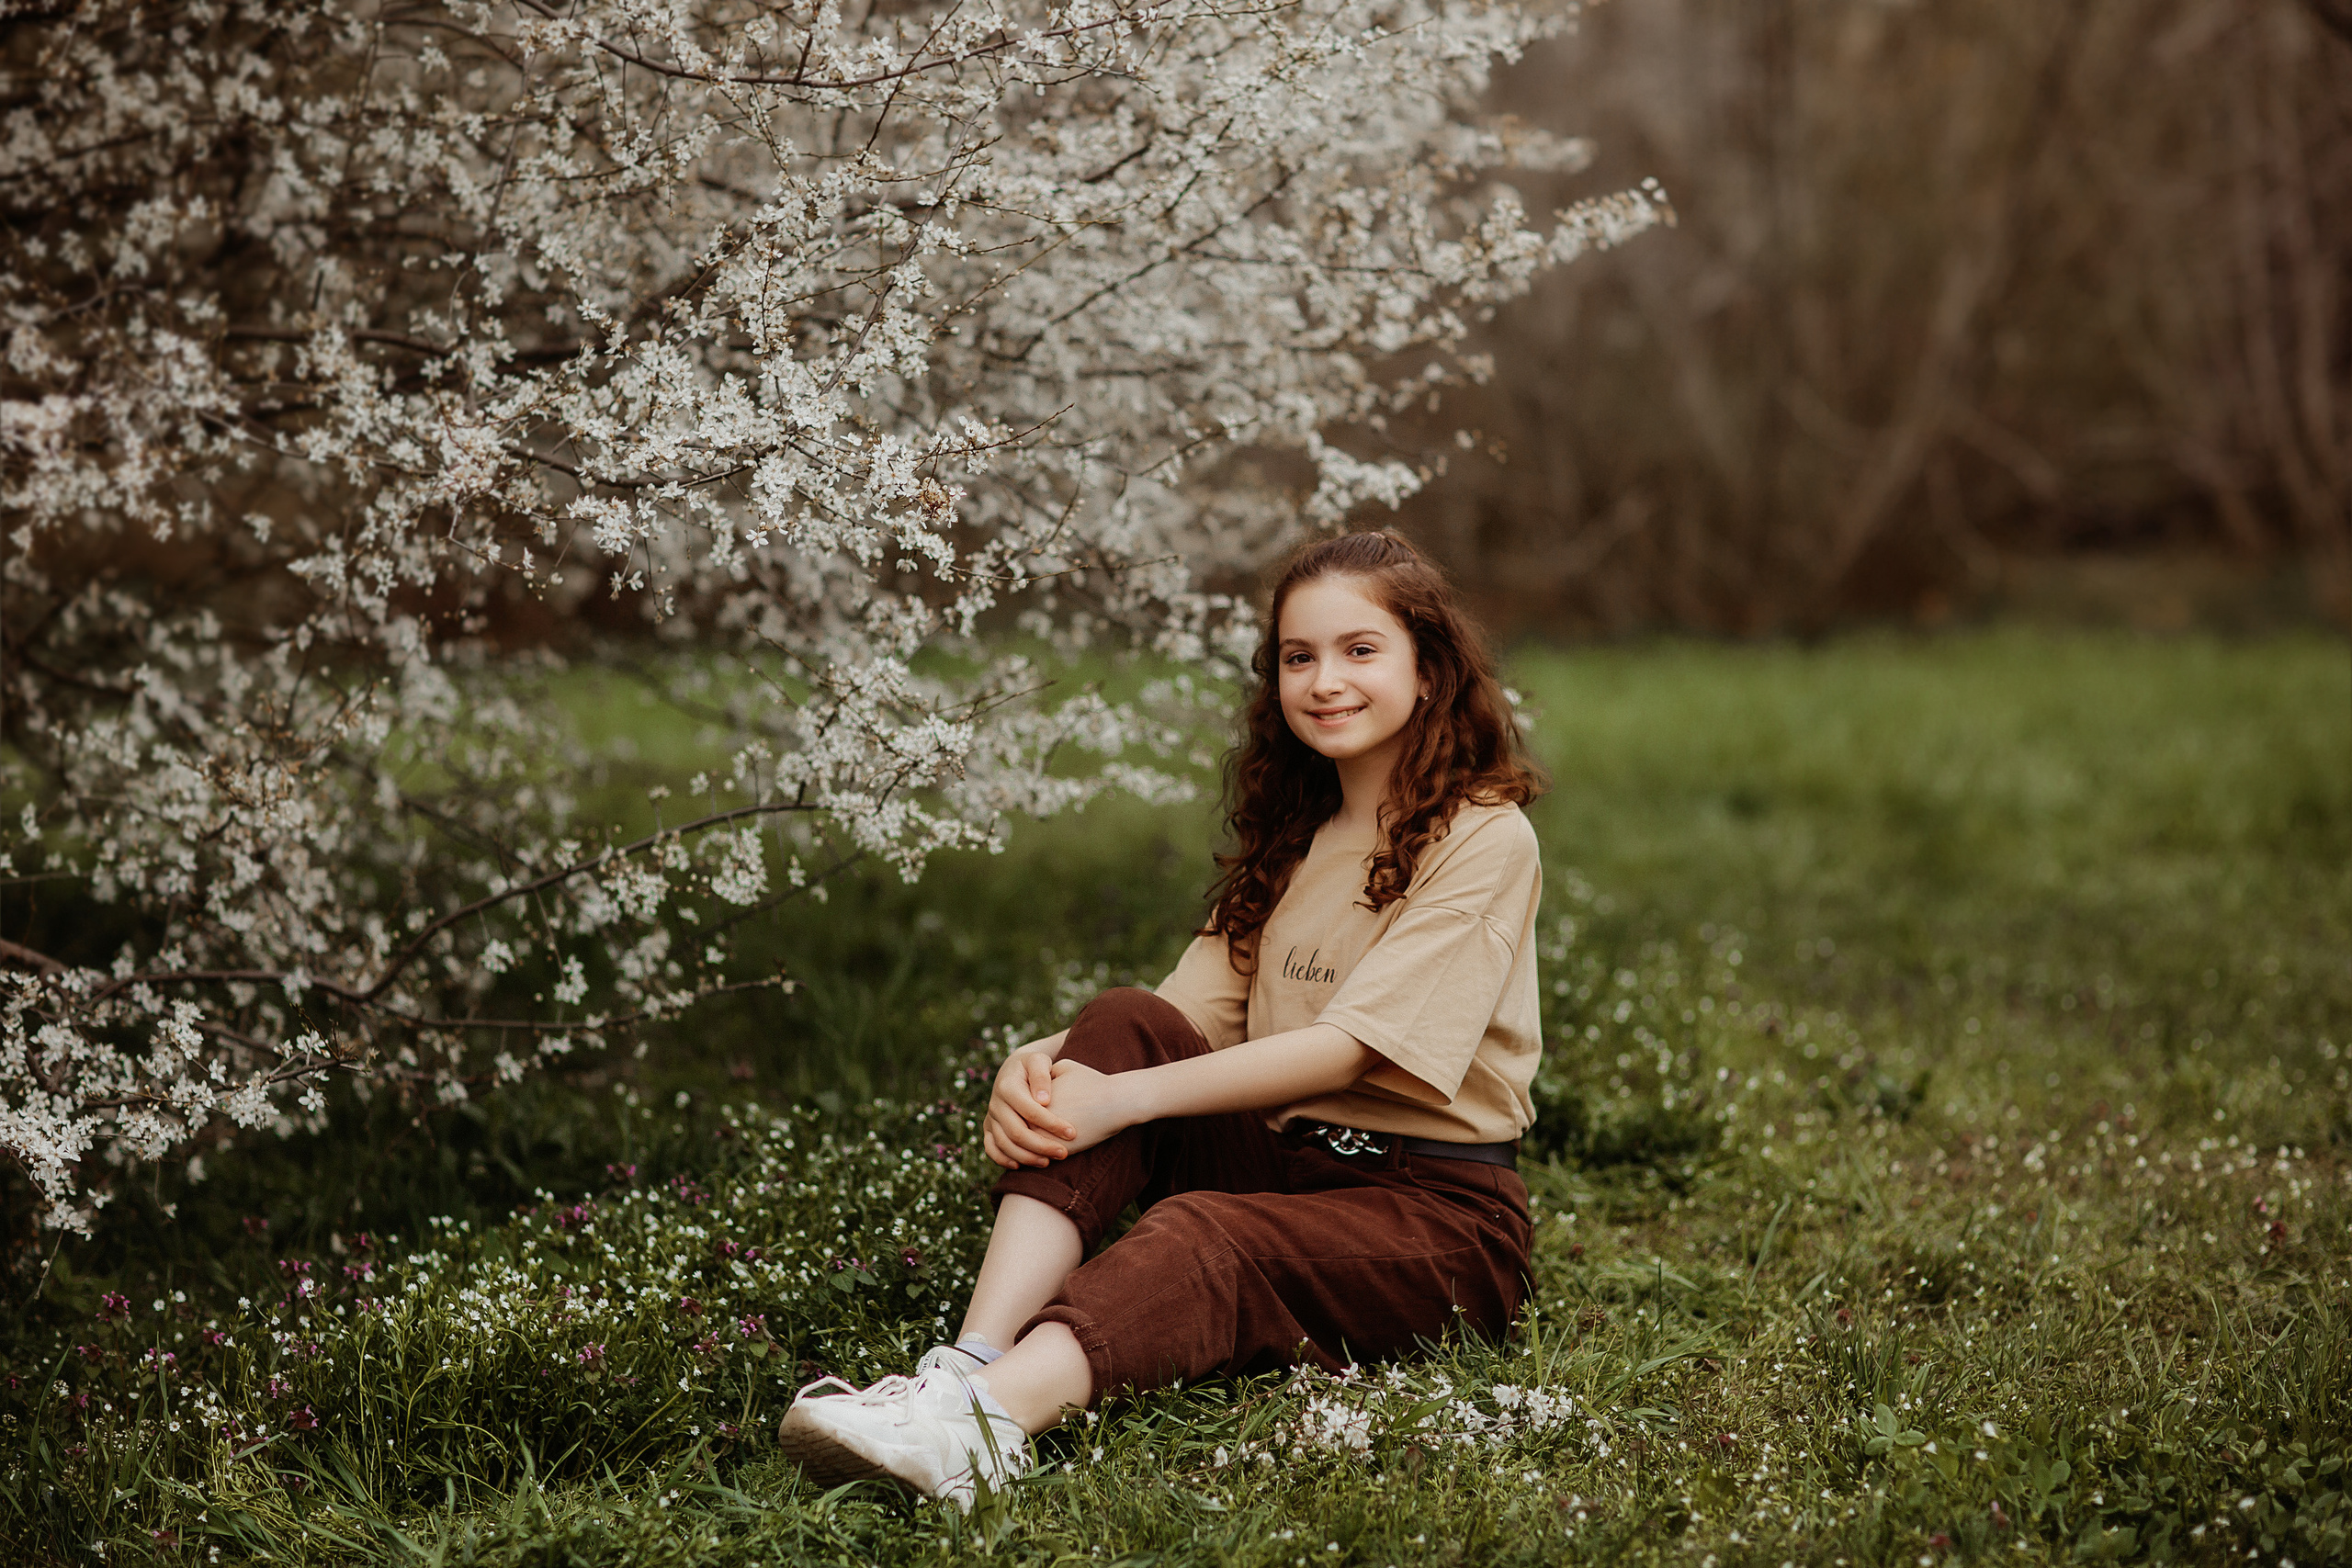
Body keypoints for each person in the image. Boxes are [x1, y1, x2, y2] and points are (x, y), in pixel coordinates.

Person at [777, 529, 1548, 1508]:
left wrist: (1119, 1102)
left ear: (1429, 670)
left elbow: (1349, 1049)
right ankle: (966, 1363)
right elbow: (1171, 1018)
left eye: (1360, 651)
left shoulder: (1484, 834)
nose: (1323, 681)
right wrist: (1043, 1063)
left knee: (1204, 1231)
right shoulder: (1298, 839)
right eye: (1297, 658)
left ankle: (977, 1435)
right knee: (1120, 1018)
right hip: (1292, 1171)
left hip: (1433, 1222)